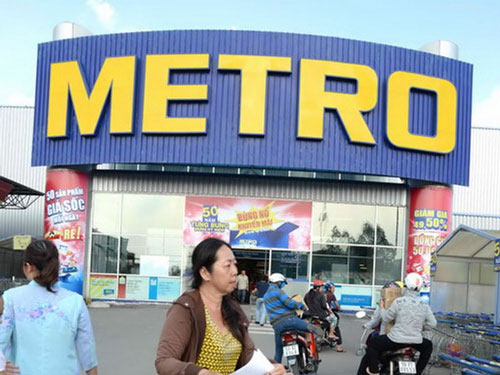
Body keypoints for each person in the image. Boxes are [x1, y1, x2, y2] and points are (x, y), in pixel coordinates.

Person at [155, 238, 286, 375]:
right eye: (227, 265)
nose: (235, 271)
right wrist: (200, 372)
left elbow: (249, 355)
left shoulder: (233, 308)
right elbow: (164, 361)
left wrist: (273, 367)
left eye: (235, 264)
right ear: (205, 273)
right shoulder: (186, 308)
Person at [0, 240, 98, 375]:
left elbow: (1, 340)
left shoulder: (11, 298)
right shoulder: (75, 301)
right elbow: (88, 353)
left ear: (28, 267)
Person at [364, 273, 437, 375]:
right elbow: (433, 324)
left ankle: (374, 371)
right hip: (416, 341)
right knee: (428, 346)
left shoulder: (399, 302)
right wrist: (420, 327)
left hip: (396, 340)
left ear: (405, 286)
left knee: (373, 344)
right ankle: (418, 371)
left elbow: (385, 318)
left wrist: (381, 307)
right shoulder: (424, 304)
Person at [263, 273, 323, 363]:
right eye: (282, 283)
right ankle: (311, 347)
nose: (283, 285)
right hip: (289, 320)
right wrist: (300, 305)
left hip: (277, 326)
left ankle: (276, 367)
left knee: (278, 351)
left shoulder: (265, 296)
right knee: (306, 326)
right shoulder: (278, 291)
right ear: (278, 282)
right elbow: (289, 303)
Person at [324, 282, 344, 352]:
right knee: (336, 326)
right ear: (329, 288)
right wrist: (339, 309)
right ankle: (339, 346)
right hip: (327, 314)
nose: (334, 289)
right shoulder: (331, 295)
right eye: (333, 288)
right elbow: (337, 305)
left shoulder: (322, 294)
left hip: (319, 313)